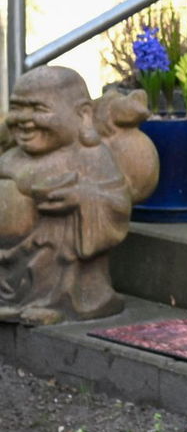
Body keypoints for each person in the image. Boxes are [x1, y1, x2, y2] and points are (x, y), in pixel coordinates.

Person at [0, 67, 155, 325]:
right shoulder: (12, 156)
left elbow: (116, 202)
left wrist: (82, 198)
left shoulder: (90, 157)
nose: (24, 119)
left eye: (38, 109)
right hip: (9, 252)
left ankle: (58, 301)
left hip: (62, 260)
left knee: (59, 245)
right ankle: (11, 299)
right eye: (17, 108)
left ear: (83, 115)